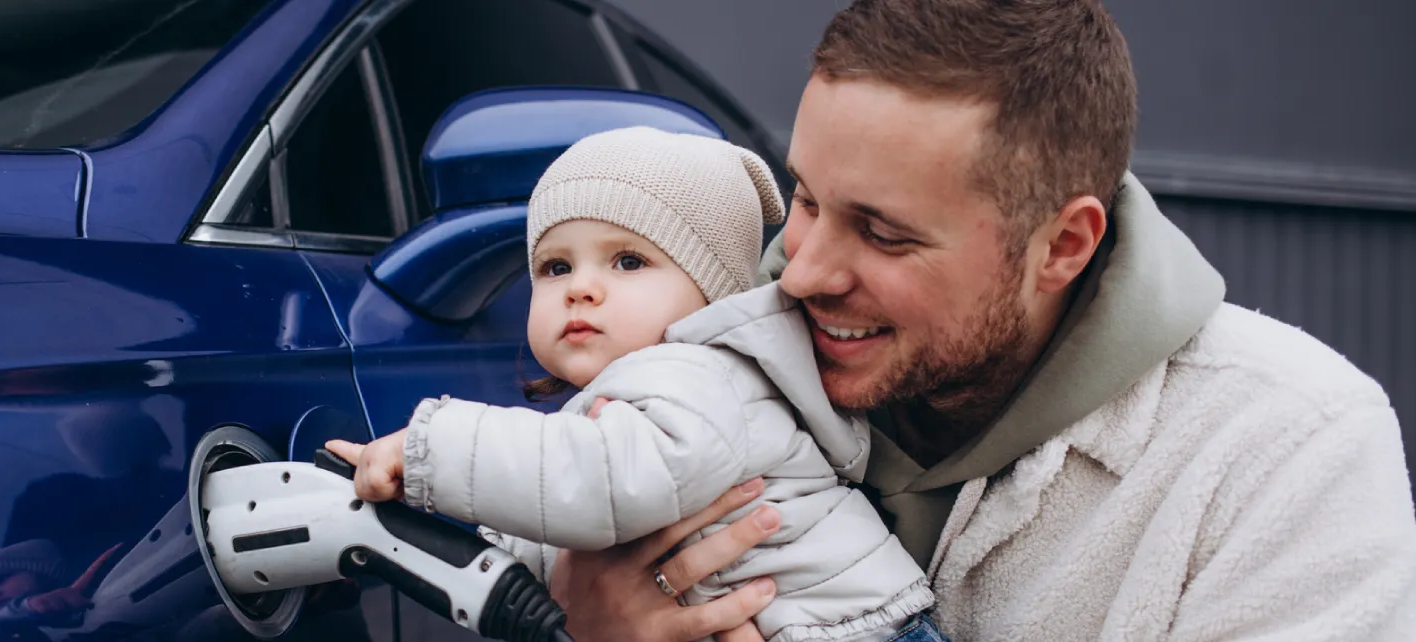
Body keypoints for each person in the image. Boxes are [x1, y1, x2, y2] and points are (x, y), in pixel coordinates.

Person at [535, 0, 1416, 640]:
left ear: (1062, 245)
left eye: (882, 233)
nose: (799, 272)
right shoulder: (685, 369)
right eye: (805, 198)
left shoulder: (1289, 455)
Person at [328, 125, 940, 642]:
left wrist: (427, 451)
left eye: (628, 261)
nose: (580, 286)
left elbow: (602, 480)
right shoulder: (635, 392)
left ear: (711, 294)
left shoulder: (702, 374)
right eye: (556, 265)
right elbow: (560, 507)